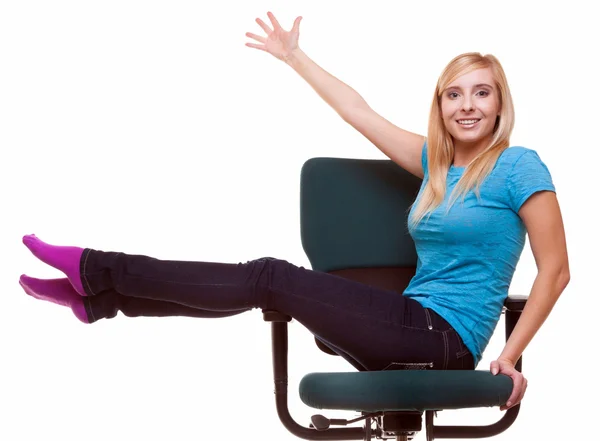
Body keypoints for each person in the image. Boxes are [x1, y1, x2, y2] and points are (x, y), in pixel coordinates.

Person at [19, 11, 569, 412]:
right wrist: (294, 57)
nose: (466, 106)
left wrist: (511, 355)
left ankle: (97, 270)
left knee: (268, 277)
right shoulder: (434, 163)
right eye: (453, 95)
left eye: (481, 93)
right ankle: (102, 301)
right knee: (263, 287)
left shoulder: (518, 166)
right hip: (405, 322)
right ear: (440, 105)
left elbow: (556, 270)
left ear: (500, 104)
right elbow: (358, 110)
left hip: (443, 340)